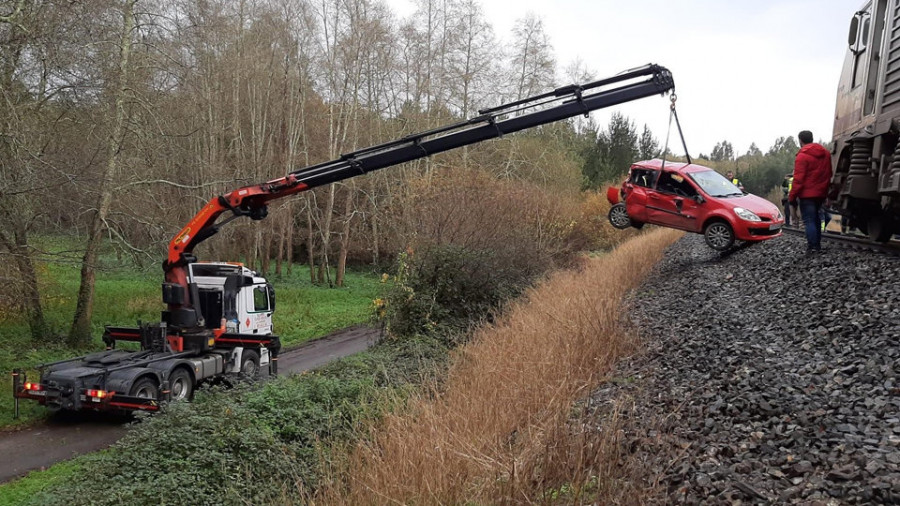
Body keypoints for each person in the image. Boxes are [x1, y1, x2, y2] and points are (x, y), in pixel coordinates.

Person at [789, 130, 833, 252]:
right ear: (812, 138)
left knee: (809, 220)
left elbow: (798, 179)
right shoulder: (826, 154)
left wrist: (792, 197)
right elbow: (829, 173)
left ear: (800, 141)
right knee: (817, 219)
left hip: (806, 195)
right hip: (821, 193)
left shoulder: (802, 156)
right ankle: (817, 245)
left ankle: (812, 246)